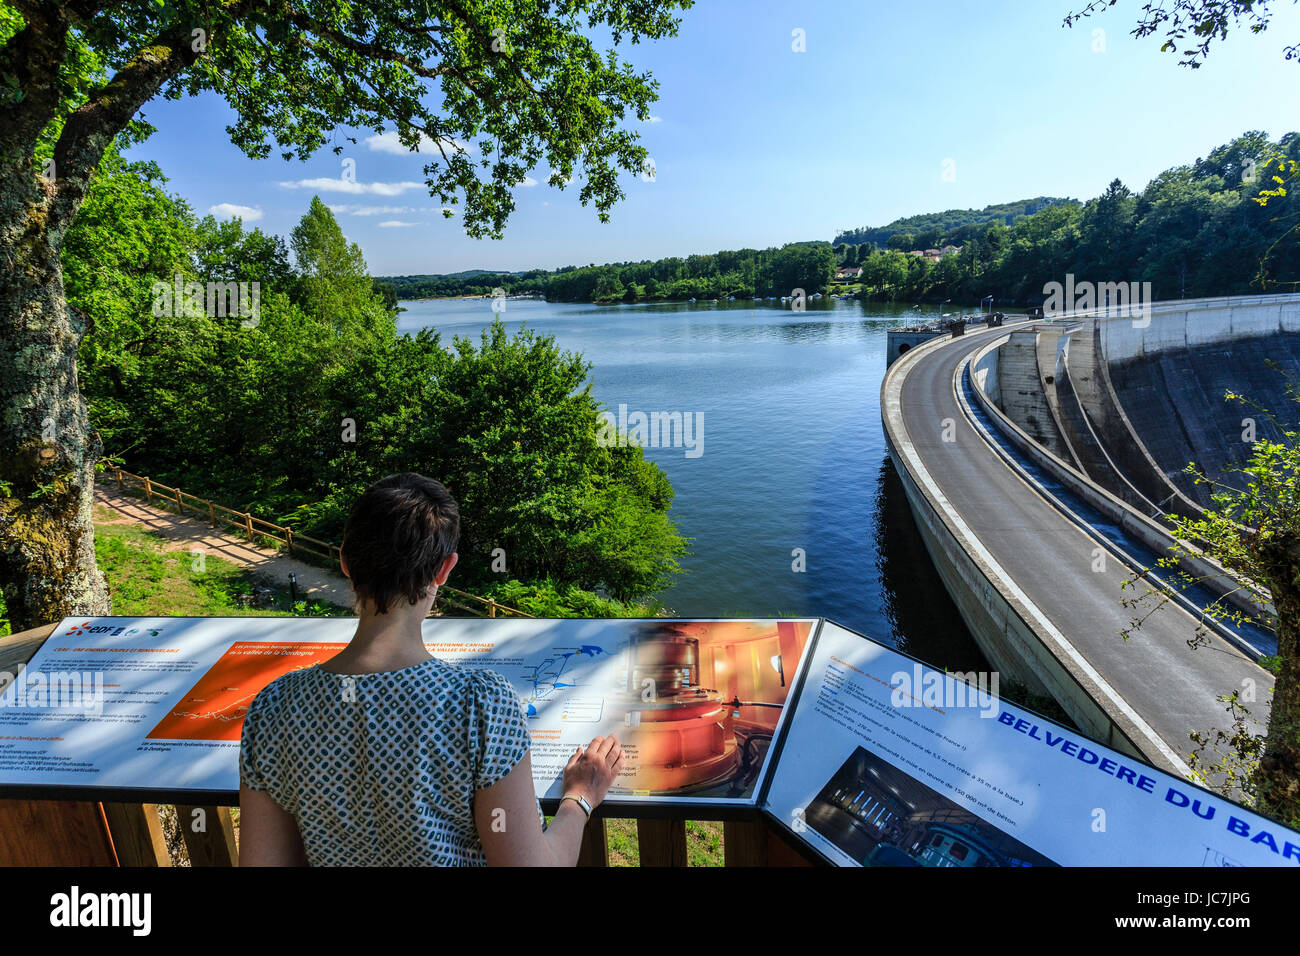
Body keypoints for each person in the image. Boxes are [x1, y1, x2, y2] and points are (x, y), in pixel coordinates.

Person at [238, 472, 624, 865]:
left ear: (345, 562)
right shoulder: (479, 704)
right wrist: (581, 797)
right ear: (444, 569)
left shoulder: (273, 708)